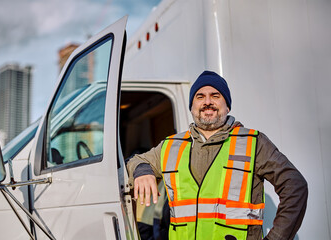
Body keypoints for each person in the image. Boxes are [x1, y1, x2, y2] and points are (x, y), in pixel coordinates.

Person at [127, 71, 308, 240]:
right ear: (192, 106)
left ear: (227, 105)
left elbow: (295, 185)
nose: (207, 102)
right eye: (200, 96)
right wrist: (142, 171)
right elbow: (137, 160)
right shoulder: (172, 145)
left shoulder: (253, 142)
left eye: (215, 96)